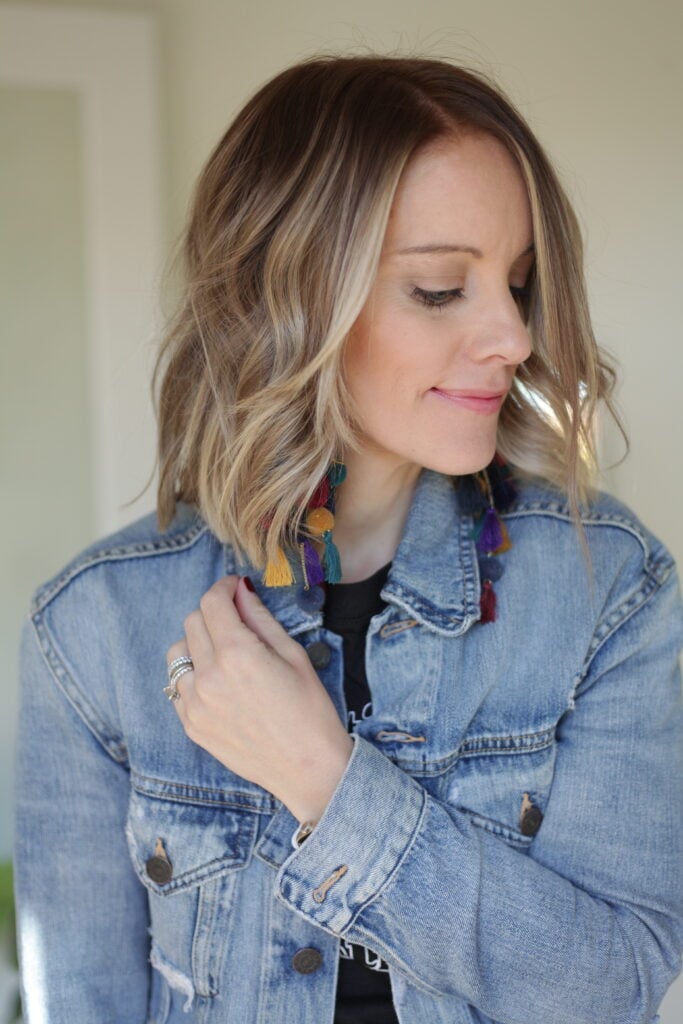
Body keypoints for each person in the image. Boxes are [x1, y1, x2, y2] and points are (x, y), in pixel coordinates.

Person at [13, 53, 683, 1024]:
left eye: (518, 281)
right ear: (289, 301)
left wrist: (325, 779)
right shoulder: (93, 631)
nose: (513, 335)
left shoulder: (604, 587)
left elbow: (611, 986)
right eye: (440, 288)